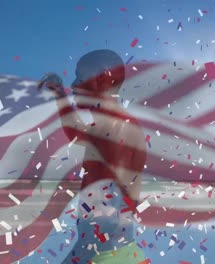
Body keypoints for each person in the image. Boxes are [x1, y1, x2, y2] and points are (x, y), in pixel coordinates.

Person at [37, 49, 149, 264]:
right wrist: (60, 94)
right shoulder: (108, 125)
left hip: (107, 252)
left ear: (102, 79)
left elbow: (115, 199)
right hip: (97, 248)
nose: (75, 85)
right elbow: (77, 133)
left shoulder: (119, 129)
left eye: (79, 77)